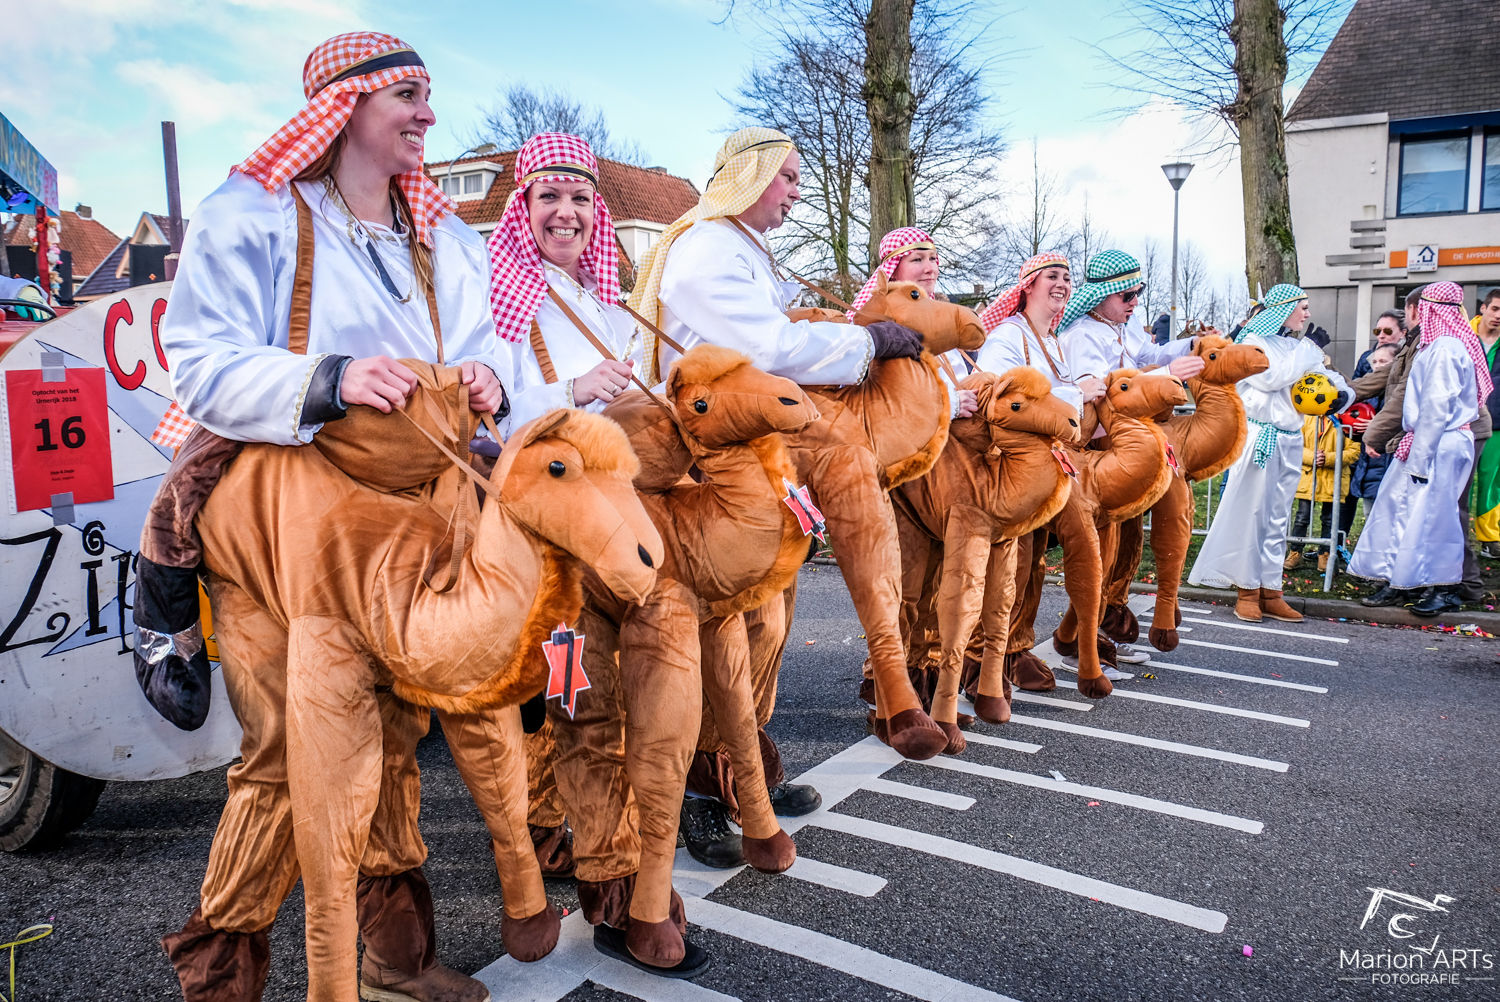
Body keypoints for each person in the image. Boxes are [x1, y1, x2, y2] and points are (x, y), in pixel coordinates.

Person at [154, 33, 510, 1002]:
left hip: (413, 517)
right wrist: (330, 378)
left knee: (393, 726)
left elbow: (487, 347)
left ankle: (396, 961)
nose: (427, 114)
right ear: (343, 106)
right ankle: (219, 981)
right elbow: (201, 364)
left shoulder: (445, 237)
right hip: (283, 522)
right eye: (406, 95)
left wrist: (487, 376)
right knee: (289, 752)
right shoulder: (256, 213)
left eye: (428, 94)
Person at [623, 126, 927, 915]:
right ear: (750, 176)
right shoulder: (706, 250)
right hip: (705, 462)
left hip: (756, 455)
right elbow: (766, 348)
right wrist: (865, 340)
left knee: (773, 618)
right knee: (723, 627)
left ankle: (742, 766)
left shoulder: (744, 249)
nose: (796, 191)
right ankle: (699, 787)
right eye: (787, 178)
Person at [484, 132, 648, 883]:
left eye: (580, 197)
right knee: (563, 668)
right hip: (545, 515)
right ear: (523, 205)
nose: (567, 212)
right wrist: (572, 392)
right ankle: (542, 814)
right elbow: (488, 411)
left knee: (611, 669)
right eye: (548, 195)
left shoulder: (606, 304)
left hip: (612, 506)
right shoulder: (500, 293)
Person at [1056, 250, 1205, 664]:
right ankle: (1081, 636)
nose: (1134, 302)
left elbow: (1149, 356)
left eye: (1137, 293)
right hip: (1100, 451)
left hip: (1129, 446)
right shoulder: (1083, 335)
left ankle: (1105, 621)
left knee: (1129, 540)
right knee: (1103, 544)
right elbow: (1105, 390)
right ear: (1102, 295)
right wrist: (1168, 376)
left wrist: (1191, 347)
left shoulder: (1122, 327)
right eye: (1127, 295)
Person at [974, 253, 1105, 686]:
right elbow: (1003, 393)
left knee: (1040, 557)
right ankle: (988, 653)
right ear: (1028, 285)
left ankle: (1026, 644)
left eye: (1067, 277)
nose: (1063, 284)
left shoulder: (1052, 339)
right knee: (1017, 556)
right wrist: (1077, 391)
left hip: (1053, 458)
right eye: (1053, 276)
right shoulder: (1008, 335)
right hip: (1014, 461)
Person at [1187, 284, 1351, 623]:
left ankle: (1271, 590)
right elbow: (1272, 377)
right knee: (1252, 515)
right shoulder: (1252, 343)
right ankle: (1246, 591)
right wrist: (1310, 348)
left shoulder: (1294, 346)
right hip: (1259, 437)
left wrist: (1342, 394)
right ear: (1284, 309)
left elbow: (1327, 377)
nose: (1307, 314)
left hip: (1290, 439)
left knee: (1278, 519)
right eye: (1302, 307)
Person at [1350, 283, 1491, 616]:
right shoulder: (1437, 346)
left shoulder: (1445, 348)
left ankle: (1445, 588)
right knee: (1402, 513)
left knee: (1436, 518)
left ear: (1427, 309)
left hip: (1437, 443)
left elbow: (1436, 408)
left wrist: (1420, 459)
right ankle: (1400, 580)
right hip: (1426, 442)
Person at [851, 226, 978, 419]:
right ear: (893, 270)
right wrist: (949, 404)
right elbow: (879, 403)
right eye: (917, 259)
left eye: (933, 259)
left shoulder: (941, 322)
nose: (930, 269)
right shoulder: (877, 330)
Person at [1285, 411, 1360, 573]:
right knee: (1302, 517)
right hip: (1309, 478)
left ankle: (1325, 555)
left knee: (1330, 519)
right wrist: (1312, 456)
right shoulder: (1306, 417)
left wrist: (1329, 458)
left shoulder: (1346, 419)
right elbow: (1295, 445)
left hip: (1334, 480)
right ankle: (1295, 552)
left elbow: (1354, 450)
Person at [1468, 289, 1500, 558]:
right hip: (1464, 421)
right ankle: (1455, 535)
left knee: (1491, 482)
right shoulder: (1462, 335)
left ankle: (1490, 537)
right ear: (1483, 308)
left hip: (1498, 423)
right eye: (1495, 309)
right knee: (1460, 481)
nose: (1498, 316)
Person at [1348, 344, 1396, 521]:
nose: (1377, 366)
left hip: (1389, 458)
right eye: (1374, 362)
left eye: (1383, 361)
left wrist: (1376, 427)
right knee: (1370, 515)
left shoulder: (1399, 392)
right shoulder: (1371, 394)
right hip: (1370, 461)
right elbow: (1351, 388)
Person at [1352, 310, 1406, 378]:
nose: (1381, 336)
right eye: (1377, 331)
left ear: (1403, 332)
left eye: (1387, 331)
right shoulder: (1366, 358)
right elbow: (1354, 383)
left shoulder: (1410, 356)